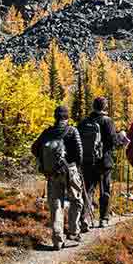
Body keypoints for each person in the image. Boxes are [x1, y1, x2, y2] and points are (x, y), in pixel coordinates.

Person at [30, 105, 84, 250]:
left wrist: (45, 160)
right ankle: (73, 231)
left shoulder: (47, 132)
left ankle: (57, 239)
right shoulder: (72, 131)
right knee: (76, 200)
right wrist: (75, 167)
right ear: (67, 117)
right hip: (70, 171)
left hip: (52, 173)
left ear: (55, 117)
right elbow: (79, 153)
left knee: (56, 205)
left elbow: (34, 148)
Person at [77, 97, 121, 231]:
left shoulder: (84, 122)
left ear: (93, 106)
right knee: (105, 190)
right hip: (104, 161)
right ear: (105, 107)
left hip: (87, 161)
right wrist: (120, 137)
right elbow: (113, 141)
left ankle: (84, 218)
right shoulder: (107, 121)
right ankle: (103, 219)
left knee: (88, 190)